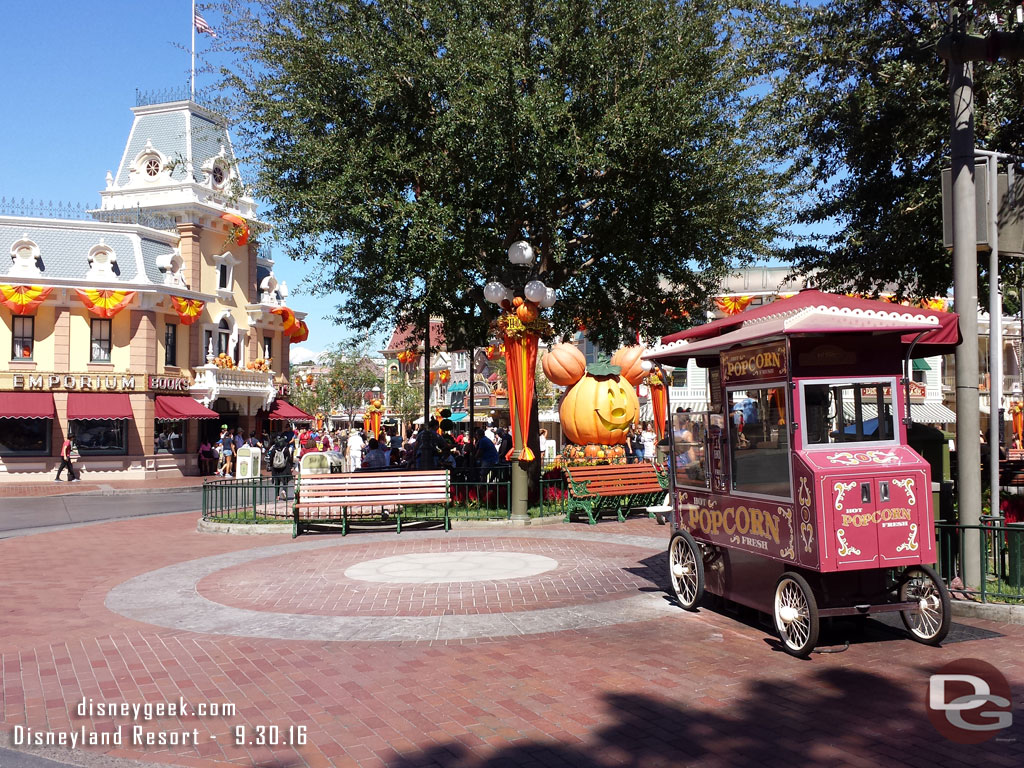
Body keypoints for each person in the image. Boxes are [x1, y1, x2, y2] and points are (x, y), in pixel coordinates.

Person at [267, 434, 294, 500]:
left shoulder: (273, 449)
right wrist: (291, 466)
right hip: (284, 467)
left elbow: (271, 459)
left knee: (277, 482)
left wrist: (270, 465)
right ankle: (284, 490)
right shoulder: (286, 449)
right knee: (285, 480)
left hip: (275, 468)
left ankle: (277, 496)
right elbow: (289, 458)